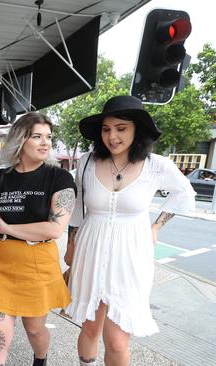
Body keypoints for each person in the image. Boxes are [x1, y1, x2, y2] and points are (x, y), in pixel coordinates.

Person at [64, 95, 196, 366]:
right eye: (106, 129)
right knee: (89, 327)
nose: (112, 136)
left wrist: (157, 226)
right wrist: (71, 244)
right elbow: (78, 206)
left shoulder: (156, 165)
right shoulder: (87, 162)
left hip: (131, 254)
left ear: (137, 129)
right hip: (90, 247)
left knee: (117, 340)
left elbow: (184, 192)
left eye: (121, 128)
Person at [0, 112, 76, 366]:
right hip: (1, 266)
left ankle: (40, 359)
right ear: (20, 140)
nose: (45, 142)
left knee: (34, 329)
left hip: (39, 264)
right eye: (37, 136)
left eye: (48, 137)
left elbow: (54, 229)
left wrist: (10, 229)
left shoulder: (59, 178)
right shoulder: (0, 178)